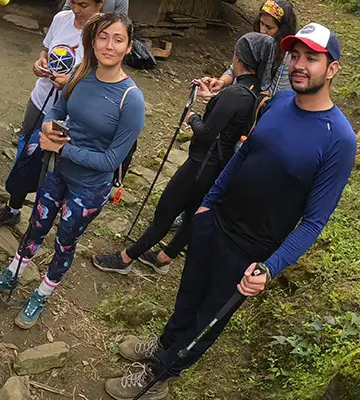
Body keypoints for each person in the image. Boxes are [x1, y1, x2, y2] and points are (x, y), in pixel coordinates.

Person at [107, 23, 355, 400]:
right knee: (187, 297)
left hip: (251, 252)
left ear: (332, 69)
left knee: (208, 319)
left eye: (311, 58)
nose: (299, 65)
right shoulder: (276, 103)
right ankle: (163, 345)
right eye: (295, 55)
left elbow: (314, 220)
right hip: (214, 224)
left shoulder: (339, 138)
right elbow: (243, 154)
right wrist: (209, 204)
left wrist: (270, 267)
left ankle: (159, 375)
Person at [0, 13, 145, 329]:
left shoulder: (131, 100)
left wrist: (62, 148)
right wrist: (48, 126)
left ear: (128, 47)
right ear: (93, 41)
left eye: (118, 39)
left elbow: (111, 161)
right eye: (103, 37)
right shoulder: (80, 76)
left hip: (90, 188)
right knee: (37, 225)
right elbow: (57, 108)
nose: (109, 45)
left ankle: (42, 292)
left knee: (65, 240)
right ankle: (13, 271)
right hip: (55, 172)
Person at [92, 32, 273, 276]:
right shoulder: (254, 92)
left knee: (165, 211)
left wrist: (193, 117)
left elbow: (206, 133)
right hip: (219, 166)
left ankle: (126, 259)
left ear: (239, 57)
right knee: (193, 214)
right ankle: (164, 257)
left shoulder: (235, 94)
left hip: (200, 165)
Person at [0, 0, 108, 228]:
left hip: (68, 112)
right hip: (40, 99)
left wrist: (70, 83)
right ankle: (13, 206)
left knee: (51, 163)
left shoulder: (104, 36)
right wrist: (40, 62)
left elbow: (102, 81)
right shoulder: (62, 19)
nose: (75, 10)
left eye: (83, 5)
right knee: (25, 153)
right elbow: (47, 49)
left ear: (101, 3)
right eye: (73, 2)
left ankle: (42, 217)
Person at [198, 0, 297, 98]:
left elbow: (275, 95)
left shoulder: (288, 59)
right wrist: (222, 82)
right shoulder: (256, 42)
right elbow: (235, 69)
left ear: (282, 31)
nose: (262, 31)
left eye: (269, 27)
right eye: (261, 23)